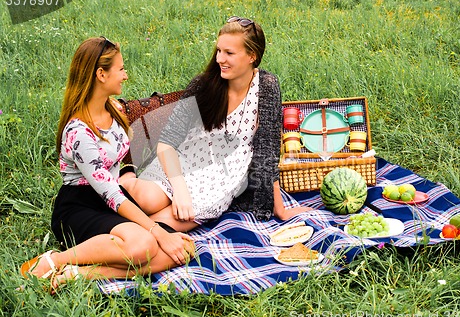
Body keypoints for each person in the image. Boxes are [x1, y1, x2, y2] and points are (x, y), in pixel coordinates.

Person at [20, 37, 195, 291]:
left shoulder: (112, 109)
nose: (125, 75)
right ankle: (54, 260)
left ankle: (78, 274)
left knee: (182, 249)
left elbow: (121, 160)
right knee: (145, 245)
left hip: (112, 199)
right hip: (80, 206)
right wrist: (157, 231)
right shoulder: (79, 131)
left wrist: (129, 176)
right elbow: (110, 193)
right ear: (101, 74)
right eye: (121, 69)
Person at [121, 17, 310, 232]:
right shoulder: (204, 84)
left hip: (219, 181)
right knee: (146, 200)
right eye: (219, 50)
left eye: (229, 53)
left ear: (252, 56)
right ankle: (122, 181)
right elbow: (167, 143)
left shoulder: (266, 86)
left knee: (156, 227)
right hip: (182, 165)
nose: (220, 58)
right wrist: (180, 191)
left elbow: (267, 150)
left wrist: (279, 209)